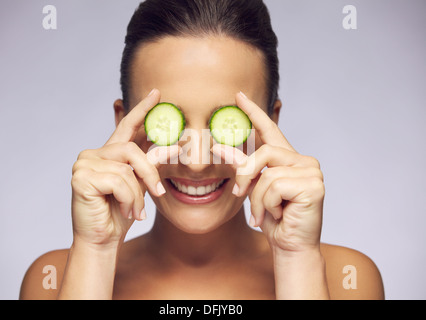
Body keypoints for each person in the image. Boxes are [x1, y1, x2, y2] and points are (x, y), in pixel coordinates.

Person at [20, 0, 384, 300]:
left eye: (226, 126)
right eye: (167, 126)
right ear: (124, 126)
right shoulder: (52, 281)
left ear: (270, 126)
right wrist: (95, 251)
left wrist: (297, 260)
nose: (196, 162)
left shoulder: (345, 280)